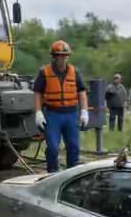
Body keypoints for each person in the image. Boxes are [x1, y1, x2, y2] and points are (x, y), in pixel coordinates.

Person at [33, 40, 89, 172]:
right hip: (53, 114)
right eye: (59, 55)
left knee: (74, 146)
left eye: (65, 55)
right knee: (52, 147)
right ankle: (52, 173)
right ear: (54, 56)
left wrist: (84, 111)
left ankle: (72, 174)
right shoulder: (44, 72)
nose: (62, 58)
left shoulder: (75, 72)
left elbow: (81, 92)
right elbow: (37, 93)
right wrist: (38, 112)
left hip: (71, 114)